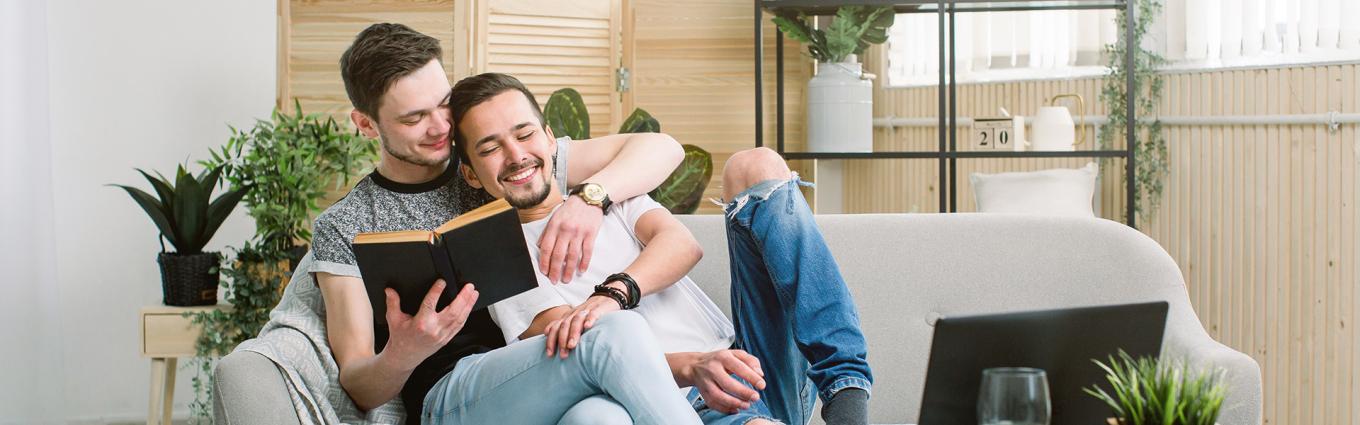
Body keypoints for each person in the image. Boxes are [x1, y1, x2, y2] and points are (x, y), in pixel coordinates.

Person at [311, 23, 700, 424]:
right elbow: (358, 385)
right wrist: (403, 353)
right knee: (616, 332)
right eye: (414, 118)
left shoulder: (497, 164)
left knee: (597, 418)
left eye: (443, 104)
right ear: (366, 124)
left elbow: (662, 149)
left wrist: (590, 199)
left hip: (547, 370)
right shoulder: (346, 224)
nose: (441, 127)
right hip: (455, 392)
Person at [451, 72, 874, 425]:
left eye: (525, 135)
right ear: (470, 174)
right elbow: (574, 348)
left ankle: (846, 393)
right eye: (490, 148)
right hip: (685, 397)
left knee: (754, 165)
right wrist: (696, 366)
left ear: (549, 140)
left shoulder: (606, 193)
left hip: (752, 360)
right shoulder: (498, 255)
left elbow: (682, 246)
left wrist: (613, 293)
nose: (516, 156)